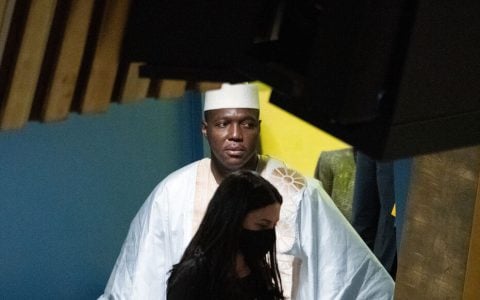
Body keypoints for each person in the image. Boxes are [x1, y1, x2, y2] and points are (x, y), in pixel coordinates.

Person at [99, 82, 394, 300]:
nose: (235, 136)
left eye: (246, 124)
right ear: (206, 129)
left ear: (258, 126)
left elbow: (359, 278)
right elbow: (137, 284)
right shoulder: (173, 194)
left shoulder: (298, 192)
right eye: (223, 124)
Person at [167, 170, 284, 300]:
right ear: (234, 220)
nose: (268, 234)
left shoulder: (257, 269)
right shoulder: (193, 276)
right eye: (262, 225)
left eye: (274, 226)